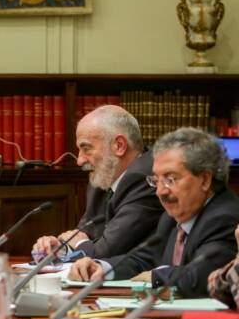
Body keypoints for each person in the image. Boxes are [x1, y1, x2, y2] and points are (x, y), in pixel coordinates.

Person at [69, 128, 239, 298]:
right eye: (156, 181)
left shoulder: (224, 217)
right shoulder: (172, 217)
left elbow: (199, 277)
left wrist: (155, 276)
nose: (160, 191)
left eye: (170, 179)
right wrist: (102, 268)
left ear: (205, 180)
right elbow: (144, 259)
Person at [32, 105, 162, 260]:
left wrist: (79, 243)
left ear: (119, 146)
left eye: (86, 148)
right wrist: (59, 247)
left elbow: (106, 252)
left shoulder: (146, 178)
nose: (79, 161)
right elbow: (84, 235)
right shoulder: (104, 177)